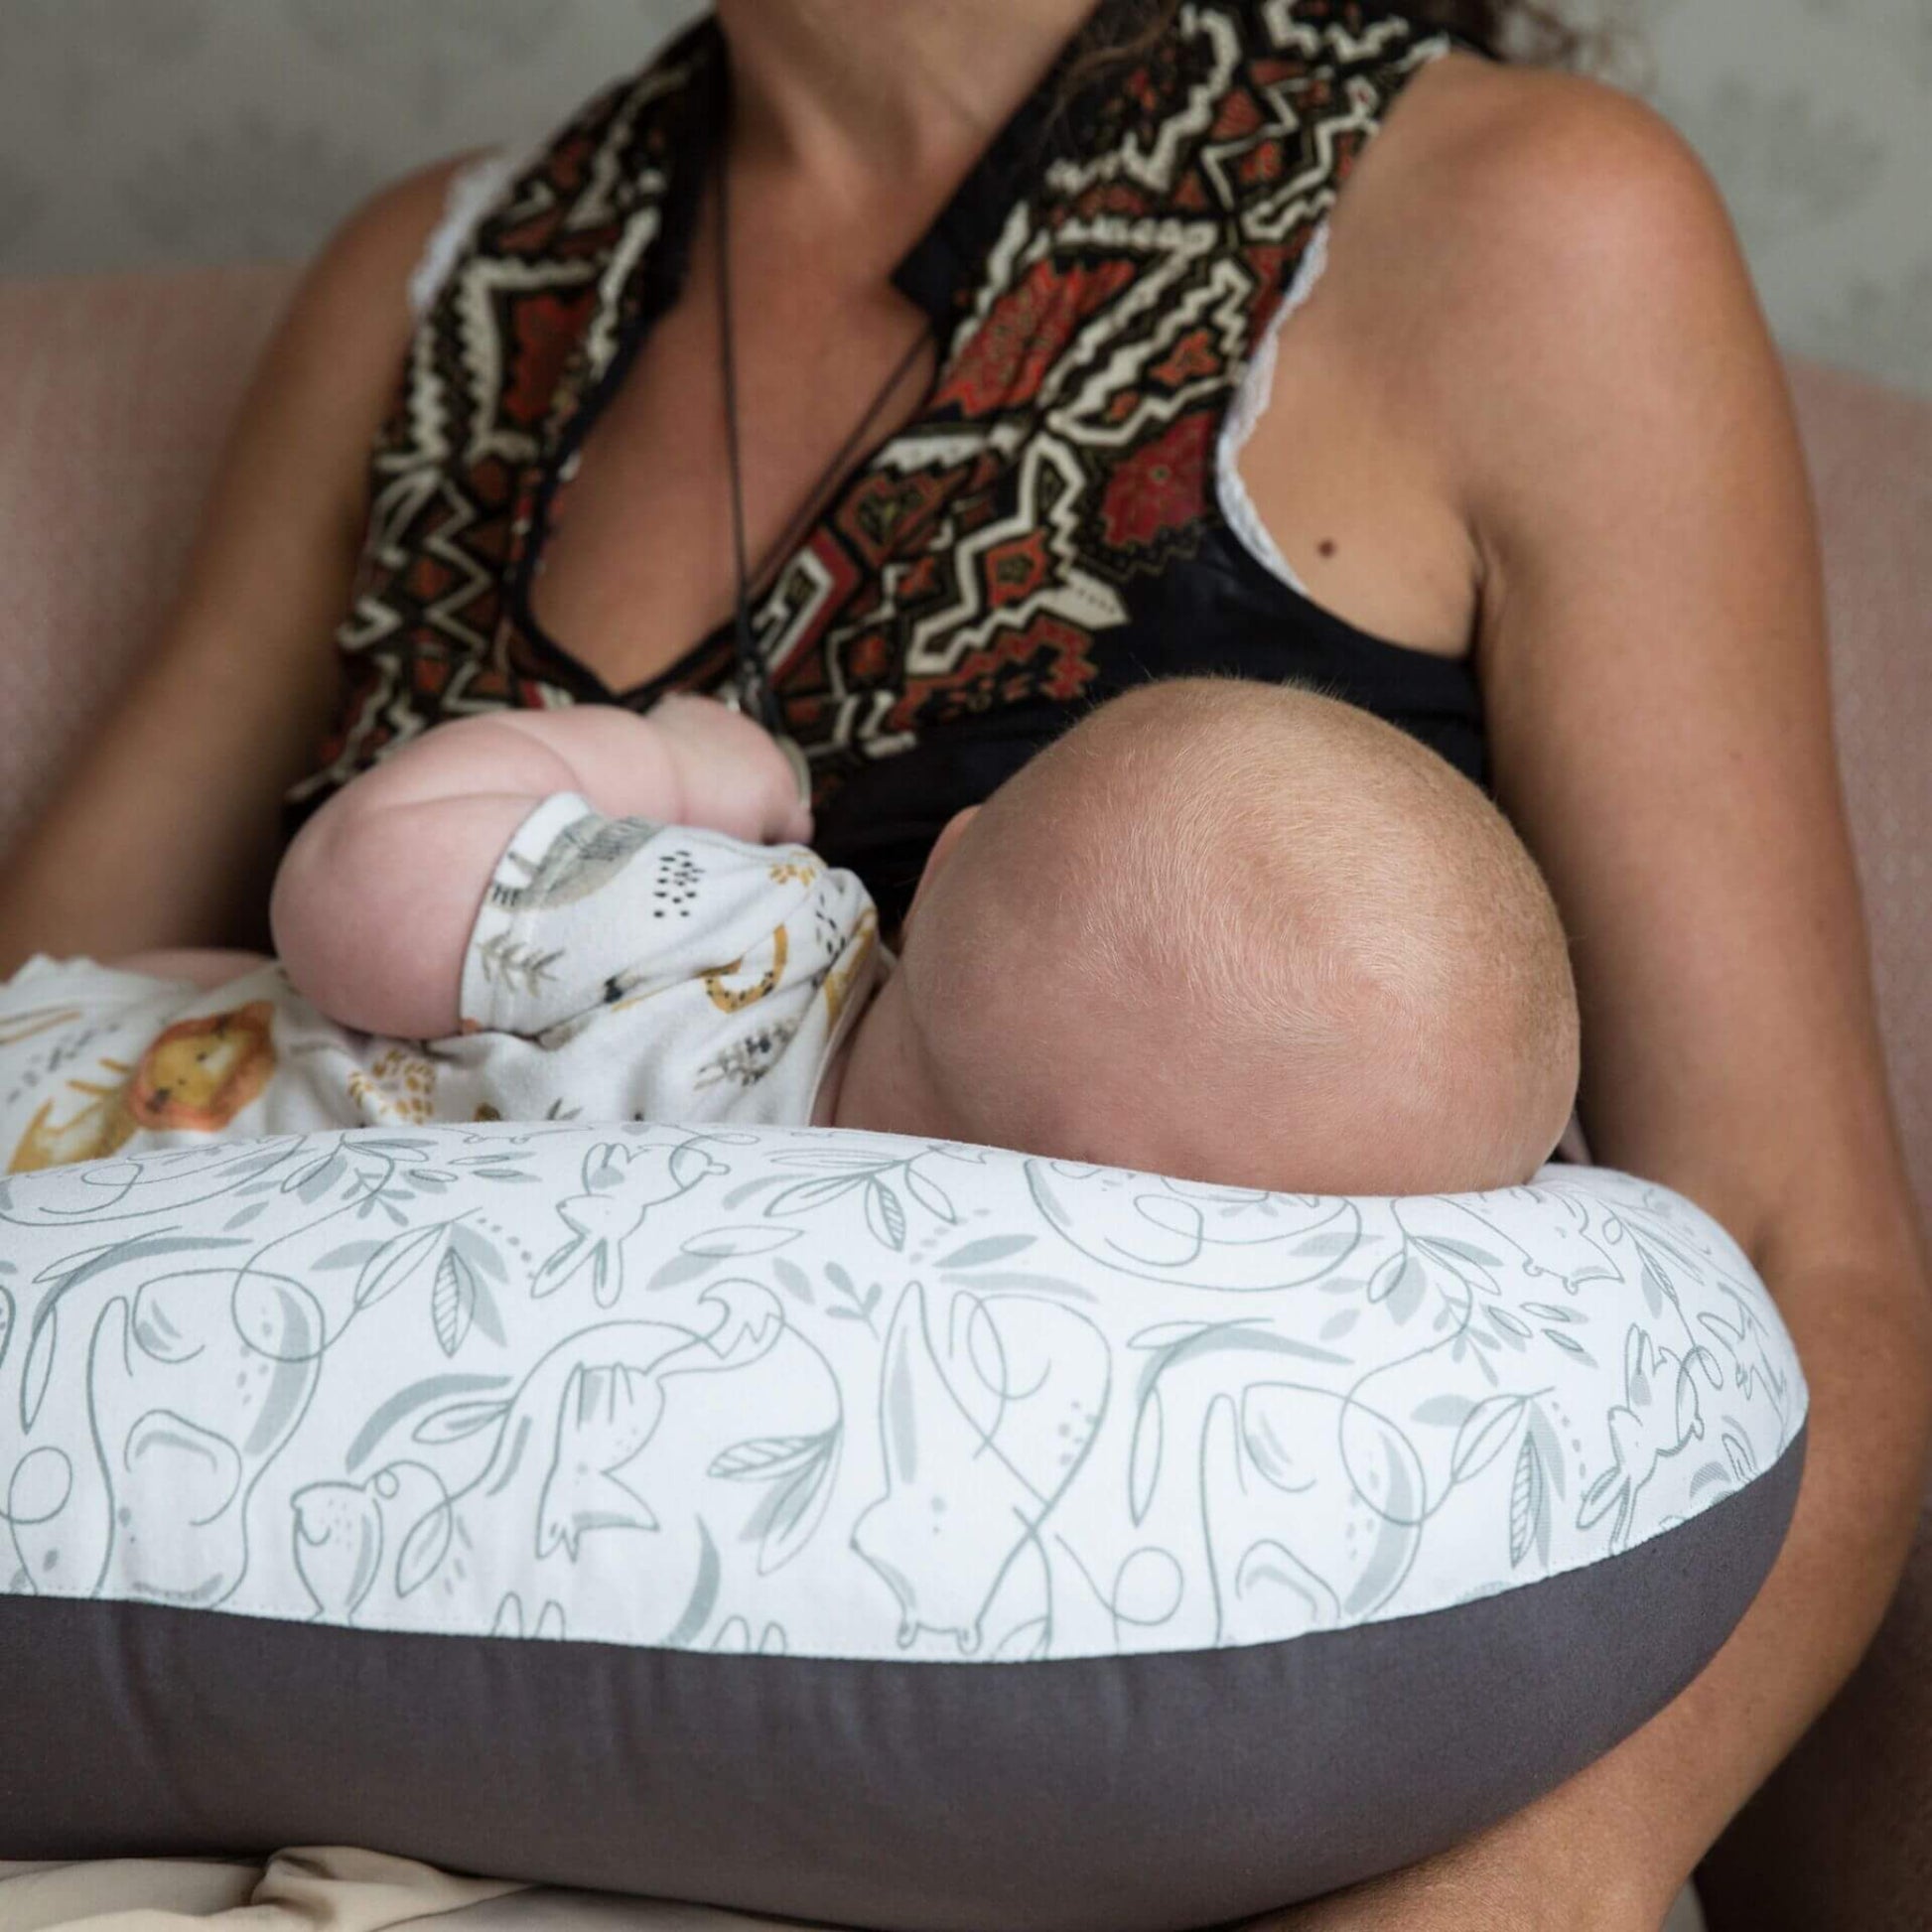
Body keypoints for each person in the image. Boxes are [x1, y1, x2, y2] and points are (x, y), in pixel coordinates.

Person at [0, 1, 1924, 1924]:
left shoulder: (1519, 221)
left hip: (1203, 1819)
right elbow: (44, 1009)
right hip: (349, 1700)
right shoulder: (450, 284)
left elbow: (1795, 1252)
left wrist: (1550, 1873)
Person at [0, 676, 1581, 1200]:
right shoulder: (734, 945)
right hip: (84, 1109)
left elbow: (358, 880)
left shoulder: (753, 923)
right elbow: (351, 926)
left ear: (944, 866)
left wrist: (670, 764)